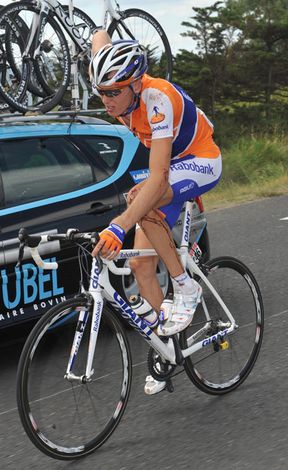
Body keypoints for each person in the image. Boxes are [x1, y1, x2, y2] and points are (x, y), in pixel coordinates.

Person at [90, 31, 222, 395]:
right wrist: (99, 32)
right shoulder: (121, 91)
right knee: (140, 265)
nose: (106, 100)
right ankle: (170, 348)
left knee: (142, 203)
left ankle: (185, 286)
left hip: (201, 160)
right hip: (173, 165)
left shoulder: (156, 98)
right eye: (101, 92)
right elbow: (100, 41)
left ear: (134, 84)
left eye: (114, 92)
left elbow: (160, 175)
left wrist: (118, 226)